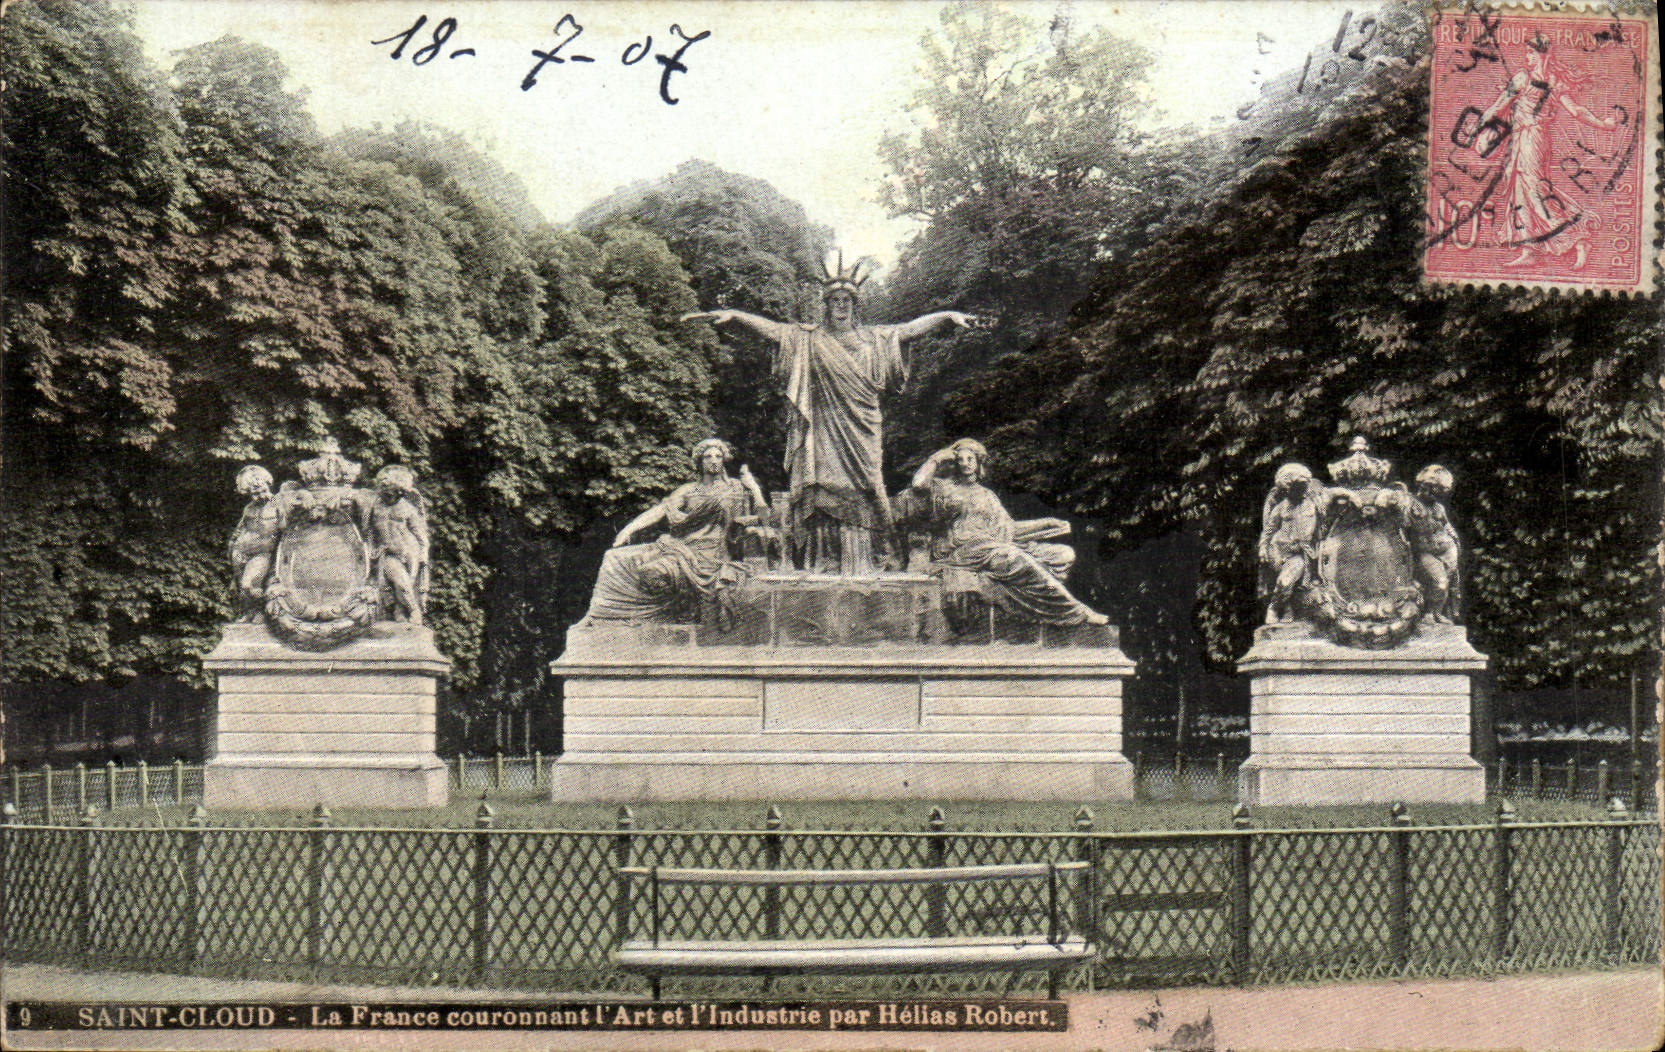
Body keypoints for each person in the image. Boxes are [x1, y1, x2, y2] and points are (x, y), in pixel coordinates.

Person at [682, 254, 979, 574]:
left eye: (847, 300)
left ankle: (880, 553)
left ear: (855, 304)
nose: (841, 305)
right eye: (835, 300)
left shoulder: (873, 338)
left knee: (870, 483)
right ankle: (820, 560)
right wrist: (737, 315)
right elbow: (773, 331)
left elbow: (908, 331)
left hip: (862, 424)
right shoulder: (809, 338)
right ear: (826, 304)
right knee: (820, 485)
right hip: (822, 425)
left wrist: (947, 316)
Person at [893, 438, 1108, 628]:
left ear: (978, 464)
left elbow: (1009, 529)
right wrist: (937, 459)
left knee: (1063, 554)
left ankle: (1011, 589)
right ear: (954, 463)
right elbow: (918, 484)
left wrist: (1045, 525)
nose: (965, 463)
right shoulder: (944, 487)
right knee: (1015, 559)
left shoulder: (988, 496)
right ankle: (1076, 612)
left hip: (989, 547)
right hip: (959, 551)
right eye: (961, 459)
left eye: (971, 459)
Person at [1476, 33, 1621, 269]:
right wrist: (1483, 124)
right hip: (1527, 139)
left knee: (1535, 192)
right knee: (1521, 192)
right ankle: (1529, 250)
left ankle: (1578, 239)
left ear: (1544, 54)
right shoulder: (1544, 80)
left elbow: (1576, 112)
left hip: (1532, 140)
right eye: (1527, 52)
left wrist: (1603, 125)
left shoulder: (1533, 80)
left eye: (1532, 53)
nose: (1527, 57)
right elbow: (1499, 106)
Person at [584, 438, 768, 623]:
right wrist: (628, 530)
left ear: (723, 460)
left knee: (651, 571)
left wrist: (754, 488)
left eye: (718, 456)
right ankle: (603, 616)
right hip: (682, 548)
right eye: (708, 456)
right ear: (699, 461)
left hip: (713, 555)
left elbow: (765, 519)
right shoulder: (688, 490)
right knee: (617, 558)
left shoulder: (734, 488)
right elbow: (660, 510)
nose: (713, 460)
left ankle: (679, 610)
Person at [1257, 463, 1323, 625]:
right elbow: (1268, 530)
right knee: (1284, 581)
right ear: (1288, 488)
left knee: (1285, 581)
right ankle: (1285, 609)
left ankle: (1274, 607)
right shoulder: (1280, 508)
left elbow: (1322, 528)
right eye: (1297, 487)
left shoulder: (1314, 505)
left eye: (1303, 486)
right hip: (1278, 551)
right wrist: (1263, 548)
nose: (1301, 490)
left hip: (1299, 553)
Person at [367, 465, 430, 625]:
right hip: (388, 553)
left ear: (399, 491)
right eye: (383, 489)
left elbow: (420, 535)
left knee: (401, 587)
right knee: (401, 583)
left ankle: (400, 613)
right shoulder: (375, 507)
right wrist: (371, 549)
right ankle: (414, 611)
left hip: (409, 552)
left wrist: (423, 554)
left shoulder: (408, 509)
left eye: (390, 490)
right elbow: (370, 532)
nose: (385, 493)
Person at [1408, 464, 1461, 624]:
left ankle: (1437, 613)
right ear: (1424, 485)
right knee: (1440, 583)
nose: (1435, 494)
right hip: (1424, 552)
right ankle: (1428, 613)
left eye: (1439, 491)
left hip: (1446, 549)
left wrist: (1454, 542)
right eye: (1432, 489)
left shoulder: (1439, 507)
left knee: (1448, 583)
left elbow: (1447, 526)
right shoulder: (1410, 504)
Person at [229, 465, 281, 621]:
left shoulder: (279, 504)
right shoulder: (249, 508)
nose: (259, 495)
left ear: (268, 484)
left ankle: (261, 613)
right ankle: (249, 614)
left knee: (249, 584)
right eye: (254, 493)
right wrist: (233, 546)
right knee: (241, 588)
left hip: (263, 553)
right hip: (240, 553)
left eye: (262, 490)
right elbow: (240, 529)